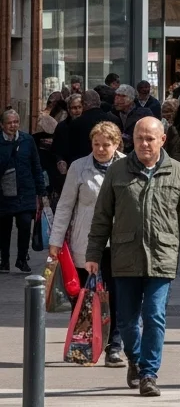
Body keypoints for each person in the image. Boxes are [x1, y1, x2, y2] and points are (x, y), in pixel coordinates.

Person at [86, 116, 180, 396]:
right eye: (139, 138)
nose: (144, 144)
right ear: (131, 140)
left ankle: (149, 373)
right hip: (124, 256)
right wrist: (93, 253)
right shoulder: (118, 171)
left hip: (162, 255)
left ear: (162, 140)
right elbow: (102, 215)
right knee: (125, 319)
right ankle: (135, 359)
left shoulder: (178, 172)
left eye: (150, 138)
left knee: (154, 316)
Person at [49, 120, 126, 366]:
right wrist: (56, 240)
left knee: (116, 295)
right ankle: (84, 344)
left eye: (106, 145)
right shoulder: (78, 167)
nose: (101, 149)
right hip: (85, 239)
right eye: (96, 144)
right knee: (83, 294)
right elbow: (65, 205)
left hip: (117, 242)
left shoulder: (126, 165)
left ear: (116, 144)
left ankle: (115, 345)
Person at [0, 109, 46, 273]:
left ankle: (21, 258)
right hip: (4, 193)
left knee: (25, 224)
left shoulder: (27, 140)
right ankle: (4, 259)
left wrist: (41, 190)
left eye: (16, 122)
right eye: (9, 123)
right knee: (4, 228)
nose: (13, 126)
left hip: (26, 190)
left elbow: (36, 164)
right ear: (2, 125)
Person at [52, 92, 85, 192]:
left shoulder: (87, 125)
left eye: (79, 107)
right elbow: (56, 149)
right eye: (74, 108)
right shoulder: (62, 127)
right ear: (69, 110)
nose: (77, 111)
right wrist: (60, 160)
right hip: (68, 170)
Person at [113, 84, 153, 156]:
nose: (118, 100)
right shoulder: (111, 114)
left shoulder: (143, 114)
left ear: (131, 98)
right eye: (117, 96)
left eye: (123, 96)